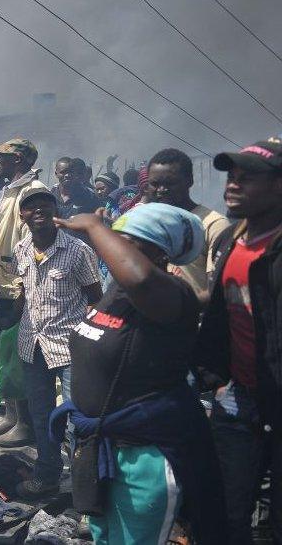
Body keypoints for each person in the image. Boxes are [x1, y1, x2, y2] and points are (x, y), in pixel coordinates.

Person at [53, 203, 227, 544]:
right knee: (104, 537)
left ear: (153, 249)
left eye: (119, 240)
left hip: (144, 457)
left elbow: (142, 276)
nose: (109, 247)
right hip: (101, 448)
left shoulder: (171, 294)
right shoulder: (117, 292)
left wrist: (92, 226)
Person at [194, 136, 282, 544]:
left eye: (248, 178)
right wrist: (217, 380)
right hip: (238, 398)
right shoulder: (233, 239)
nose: (233, 184)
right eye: (232, 176)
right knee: (224, 512)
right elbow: (222, 312)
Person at [9, 184, 101, 498]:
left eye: (45, 206)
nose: (38, 212)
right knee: (42, 417)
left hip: (69, 346)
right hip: (32, 345)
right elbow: (25, 289)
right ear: (22, 215)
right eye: (31, 207)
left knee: (79, 423)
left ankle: (86, 490)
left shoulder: (78, 250)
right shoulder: (22, 248)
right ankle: (47, 477)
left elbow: (96, 300)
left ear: (55, 212)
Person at [0, 138, 43, 444]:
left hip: (16, 290)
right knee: (5, 355)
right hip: (1, 286)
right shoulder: (8, 191)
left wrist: (20, 289)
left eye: (1, 157)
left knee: (18, 359)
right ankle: (11, 415)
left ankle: (26, 425)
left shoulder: (31, 192)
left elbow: (29, 244)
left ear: (17, 160)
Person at [142, 148, 230, 303]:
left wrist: (182, 309)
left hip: (194, 322)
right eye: (155, 184)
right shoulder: (145, 222)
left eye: (170, 183)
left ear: (190, 181)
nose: (162, 190)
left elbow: (218, 289)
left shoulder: (213, 224)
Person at [51, 157, 100, 221]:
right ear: (56, 174)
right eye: (63, 172)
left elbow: (97, 222)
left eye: (71, 172)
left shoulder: (90, 197)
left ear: (75, 173)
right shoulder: (49, 196)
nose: (67, 175)